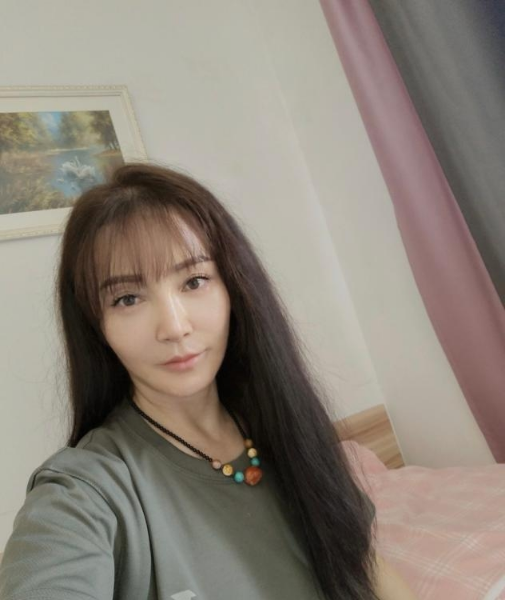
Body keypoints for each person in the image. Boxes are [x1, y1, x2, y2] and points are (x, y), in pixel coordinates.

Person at [0, 163, 417, 599]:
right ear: (95, 325)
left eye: (194, 281)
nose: (174, 327)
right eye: (127, 298)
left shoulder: (287, 430)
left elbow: (364, 564)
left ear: (234, 288)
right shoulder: (85, 491)